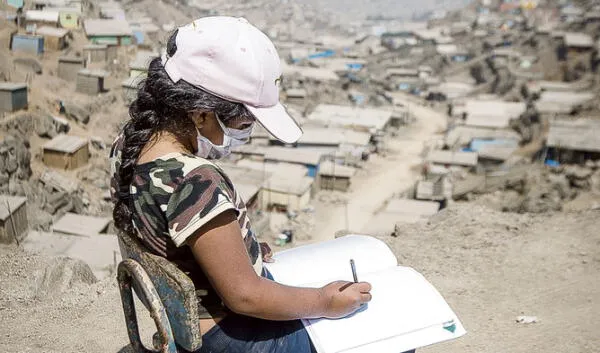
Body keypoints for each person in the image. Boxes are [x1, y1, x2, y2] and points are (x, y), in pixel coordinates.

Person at [110, 17, 372, 353]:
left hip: (190, 326)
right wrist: (323, 302)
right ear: (201, 114)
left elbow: (171, 240)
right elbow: (244, 296)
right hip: (230, 339)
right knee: (386, 328)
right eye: (244, 124)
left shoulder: (128, 144)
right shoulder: (196, 180)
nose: (244, 138)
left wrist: (238, 247)